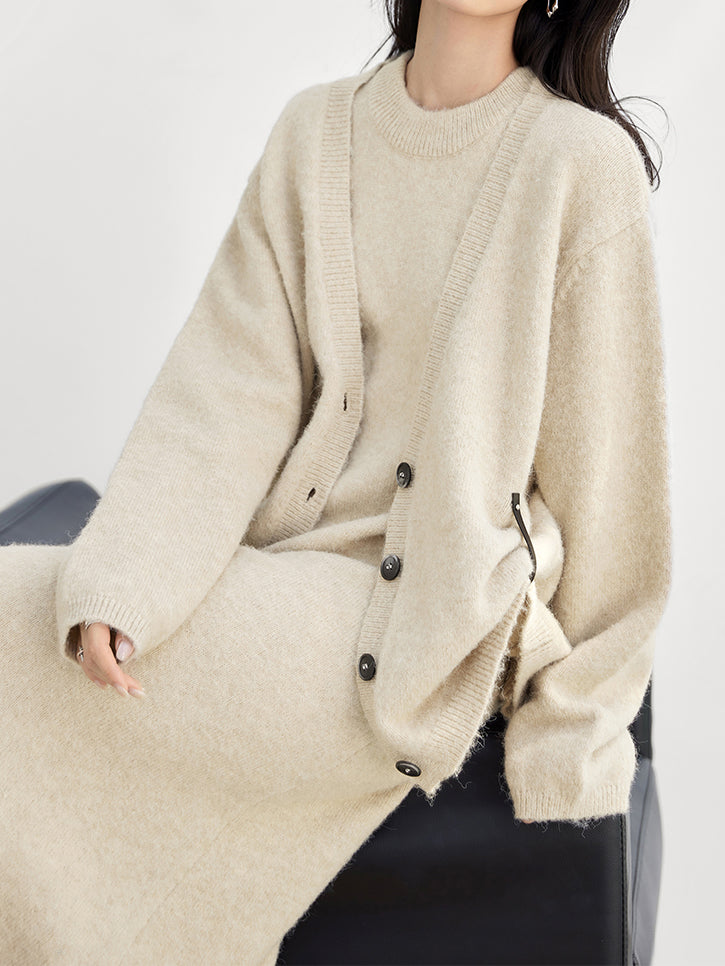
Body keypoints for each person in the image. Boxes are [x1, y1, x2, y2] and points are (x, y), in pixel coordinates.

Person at [0, 0, 672, 962]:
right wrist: (124, 580)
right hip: (284, 575)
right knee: (25, 611)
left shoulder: (578, 164)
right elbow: (224, 392)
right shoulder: (313, 133)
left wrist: (573, 742)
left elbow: (612, 491)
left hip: (426, 624)